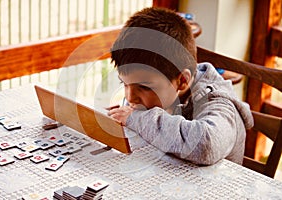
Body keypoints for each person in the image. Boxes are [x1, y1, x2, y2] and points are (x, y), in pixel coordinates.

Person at [107, 7, 253, 165]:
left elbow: (206, 146)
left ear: (182, 81)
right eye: (125, 84)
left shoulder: (218, 102)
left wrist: (136, 119)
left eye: (144, 87)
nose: (130, 97)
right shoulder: (152, 92)